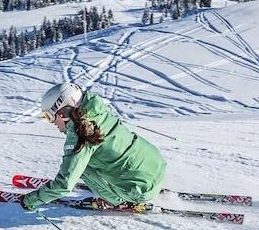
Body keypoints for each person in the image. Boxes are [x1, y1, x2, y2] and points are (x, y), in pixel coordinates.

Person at [20, 83, 167, 211]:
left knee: (80, 167)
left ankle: (116, 200)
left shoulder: (81, 135)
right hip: (156, 166)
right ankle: (131, 183)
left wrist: (29, 201)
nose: (51, 122)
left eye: (49, 116)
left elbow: (64, 185)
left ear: (63, 112)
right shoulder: (97, 110)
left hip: (138, 190)